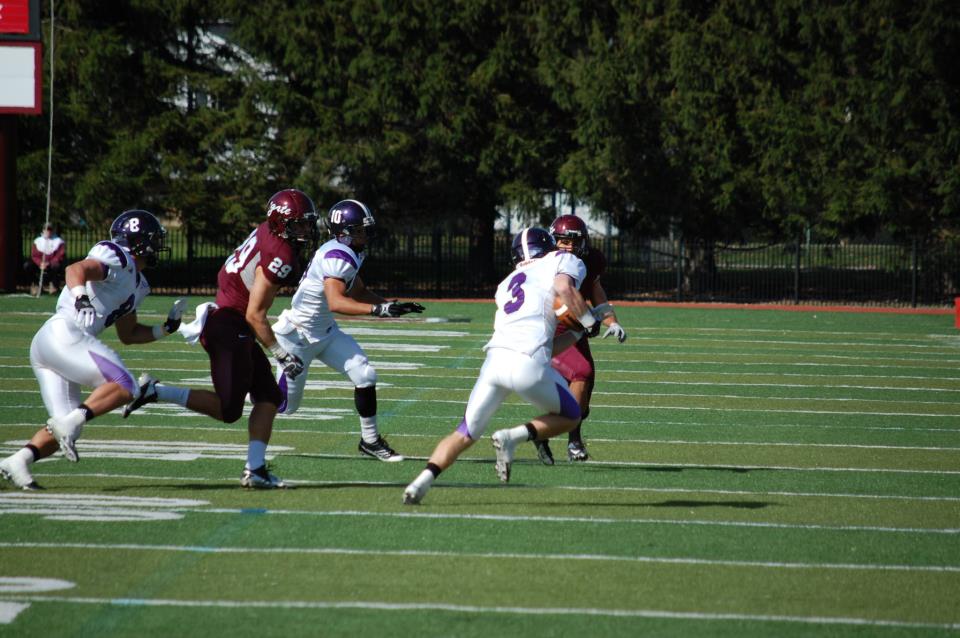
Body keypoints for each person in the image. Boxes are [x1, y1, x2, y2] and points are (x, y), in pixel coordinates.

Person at [122, 189, 317, 489]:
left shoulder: (269, 231)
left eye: (307, 223)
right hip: (229, 325)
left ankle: (256, 470)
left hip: (230, 317)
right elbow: (256, 315)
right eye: (299, 224)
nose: (306, 230)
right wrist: (280, 353)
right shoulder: (282, 254)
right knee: (229, 410)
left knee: (269, 396)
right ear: (280, 223)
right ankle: (156, 391)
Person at [403, 227, 598, 505]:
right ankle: (512, 437)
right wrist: (589, 321)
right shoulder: (561, 260)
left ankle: (419, 484)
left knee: (464, 434)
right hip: (527, 363)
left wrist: (578, 333)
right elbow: (564, 288)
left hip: (494, 363)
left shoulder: (506, 284)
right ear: (549, 247)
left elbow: (547, 346)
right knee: (572, 415)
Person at [0, 210, 183, 490]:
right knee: (125, 385)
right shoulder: (118, 256)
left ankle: (19, 460)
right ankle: (68, 424)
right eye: (153, 240)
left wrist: (166, 329)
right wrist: (81, 297)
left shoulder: (139, 284)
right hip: (65, 333)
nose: (158, 246)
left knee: (69, 421)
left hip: (53, 345)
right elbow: (76, 270)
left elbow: (129, 334)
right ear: (139, 242)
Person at [272, 199, 424, 461]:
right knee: (284, 407)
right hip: (297, 336)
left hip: (326, 332)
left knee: (365, 374)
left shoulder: (351, 251)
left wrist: (390, 305)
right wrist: (378, 312)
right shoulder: (337, 256)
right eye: (360, 230)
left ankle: (370, 441)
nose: (366, 234)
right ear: (344, 232)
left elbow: (359, 291)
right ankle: (245, 387)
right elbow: (337, 301)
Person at [532, 215, 627, 463]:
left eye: (574, 242)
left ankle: (551, 431)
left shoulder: (591, 261)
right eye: (563, 241)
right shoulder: (546, 260)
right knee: (581, 373)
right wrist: (582, 320)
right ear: (554, 241)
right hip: (551, 326)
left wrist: (611, 320)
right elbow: (557, 299)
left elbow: (597, 292)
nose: (569, 247)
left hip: (575, 326)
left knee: (585, 387)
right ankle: (570, 440)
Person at [24, 223, 66, 295]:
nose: (48, 231)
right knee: (28, 265)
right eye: (46, 229)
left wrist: (49, 263)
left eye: (49, 229)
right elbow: (34, 255)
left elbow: (60, 255)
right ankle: (36, 284)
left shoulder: (59, 241)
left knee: (56, 266)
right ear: (43, 230)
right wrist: (40, 263)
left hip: (52, 264)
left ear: (52, 231)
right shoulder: (37, 241)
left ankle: (54, 285)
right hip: (40, 264)